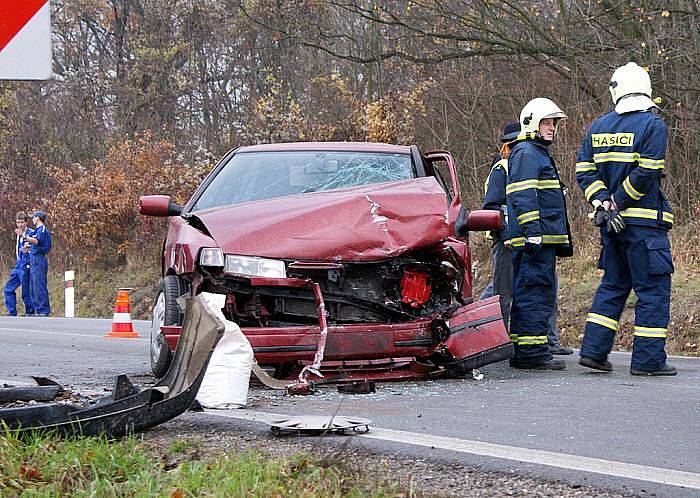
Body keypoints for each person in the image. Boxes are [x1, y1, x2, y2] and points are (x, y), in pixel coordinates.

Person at [575, 62, 676, 376]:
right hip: (644, 226)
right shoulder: (652, 126)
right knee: (653, 290)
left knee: (614, 285)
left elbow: (583, 171)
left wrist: (602, 201)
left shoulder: (598, 126)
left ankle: (592, 352)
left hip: (611, 225)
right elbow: (647, 170)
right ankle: (648, 361)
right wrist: (617, 201)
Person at [479, 121, 573, 355]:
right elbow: (492, 207)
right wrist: (506, 234)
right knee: (504, 292)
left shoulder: (531, 160)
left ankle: (547, 341)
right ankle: (495, 341)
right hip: (509, 239)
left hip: (532, 239)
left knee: (543, 289)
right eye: (511, 143)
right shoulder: (503, 168)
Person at [505, 98, 573, 370]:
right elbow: (523, 195)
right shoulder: (528, 153)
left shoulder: (533, 152)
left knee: (531, 292)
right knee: (535, 293)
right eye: (547, 122)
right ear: (531, 122)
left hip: (540, 240)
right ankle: (532, 354)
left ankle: (526, 349)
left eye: (554, 123)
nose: (552, 128)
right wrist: (533, 232)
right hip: (536, 240)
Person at [3, 212, 34, 316]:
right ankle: (12, 312)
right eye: (18, 222)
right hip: (18, 265)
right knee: (8, 288)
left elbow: (33, 248)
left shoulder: (31, 233)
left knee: (26, 292)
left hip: (26, 265)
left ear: (26, 222)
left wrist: (24, 236)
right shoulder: (18, 234)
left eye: (22, 222)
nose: (20, 225)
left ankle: (30, 312)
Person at [26, 210, 52, 317]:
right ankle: (37, 308)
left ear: (38, 218)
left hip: (39, 259)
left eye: (33, 217)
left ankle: (43, 309)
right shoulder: (37, 230)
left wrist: (26, 237)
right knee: (33, 285)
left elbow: (37, 241)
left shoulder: (42, 230)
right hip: (33, 259)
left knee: (39, 284)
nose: (32, 219)